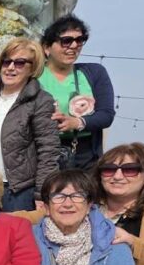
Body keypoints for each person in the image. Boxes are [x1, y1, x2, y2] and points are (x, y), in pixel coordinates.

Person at [0, 37, 59, 212]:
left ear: (32, 68)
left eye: (19, 63)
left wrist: (42, 193)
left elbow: (48, 150)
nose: (11, 67)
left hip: (18, 191)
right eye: (6, 61)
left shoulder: (41, 100)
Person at [37, 14, 116, 170]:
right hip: (41, 151)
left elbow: (106, 115)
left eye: (79, 40)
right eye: (66, 41)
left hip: (84, 156)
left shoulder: (95, 73)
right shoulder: (33, 76)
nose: (74, 46)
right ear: (47, 47)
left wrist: (77, 122)